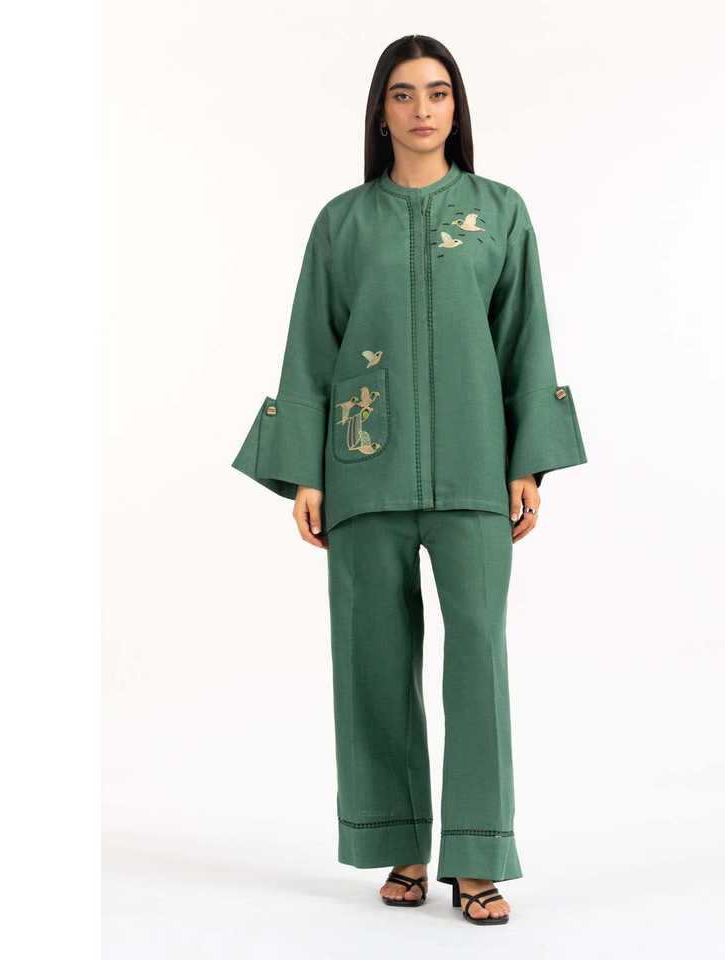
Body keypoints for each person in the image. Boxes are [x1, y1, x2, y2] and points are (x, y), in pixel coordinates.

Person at [231, 34, 588, 926]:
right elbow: (311, 346)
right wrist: (306, 472)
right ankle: (401, 846)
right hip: (363, 468)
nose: (421, 109)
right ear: (380, 112)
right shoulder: (342, 223)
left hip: (475, 470)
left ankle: (477, 857)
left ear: (456, 107)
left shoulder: (500, 212)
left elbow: (526, 338)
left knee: (479, 660)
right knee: (373, 661)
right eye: (402, 93)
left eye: (437, 92)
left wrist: (526, 462)